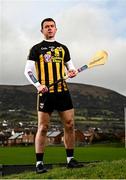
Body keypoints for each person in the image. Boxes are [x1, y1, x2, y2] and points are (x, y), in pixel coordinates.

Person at [24, 18, 83, 174]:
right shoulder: (36, 49)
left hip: (63, 91)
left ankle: (70, 160)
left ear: (56, 29)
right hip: (46, 93)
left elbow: (71, 68)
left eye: (52, 26)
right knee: (43, 128)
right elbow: (28, 71)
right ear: (42, 30)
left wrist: (72, 72)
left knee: (70, 124)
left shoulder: (63, 48)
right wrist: (38, 85)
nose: (49, 28)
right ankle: (39, 164)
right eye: (46, 27)